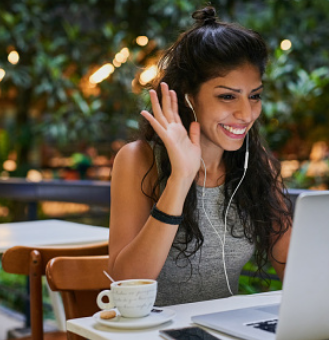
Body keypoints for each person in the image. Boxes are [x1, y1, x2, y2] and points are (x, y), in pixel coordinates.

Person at [108, 6, 292, 306]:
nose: (246, 114)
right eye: (227, 96)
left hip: (222, 330)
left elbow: (291, 264)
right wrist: (180, 178)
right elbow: (126, 283)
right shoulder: (137, 160)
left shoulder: (256, 165)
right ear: (188, 97)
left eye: (254, 96)